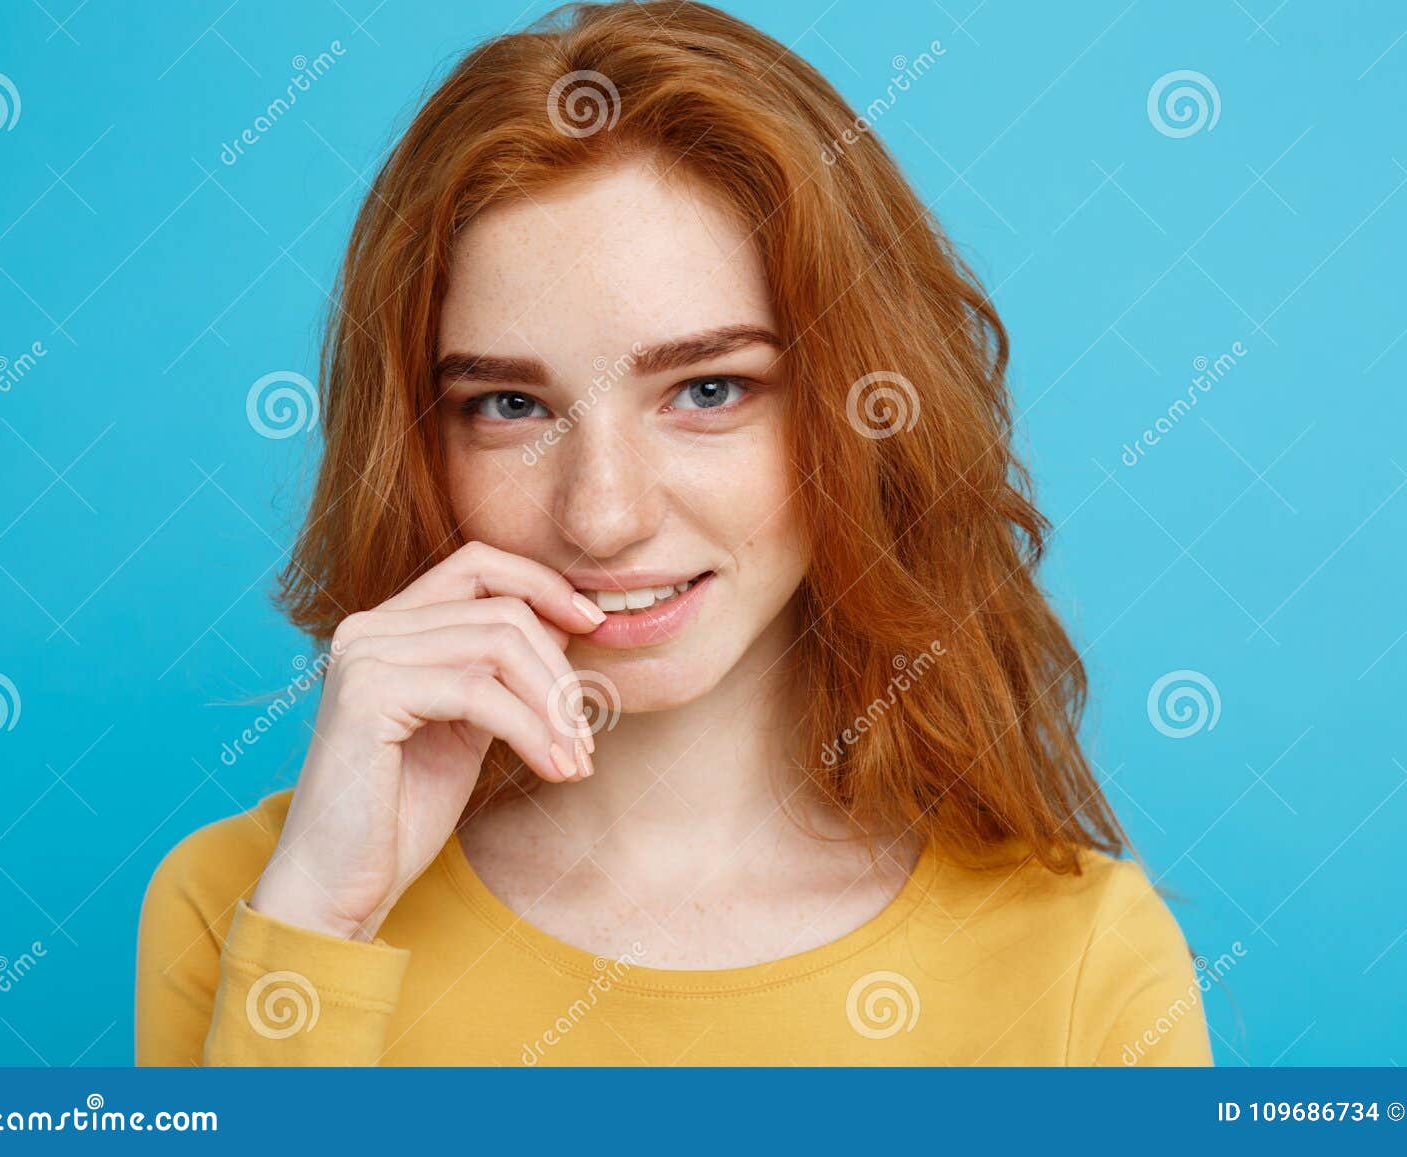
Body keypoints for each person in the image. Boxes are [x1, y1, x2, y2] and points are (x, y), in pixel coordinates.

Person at [135, 0, 1211, 1066]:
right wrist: (319, 931)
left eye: (707, 388)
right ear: (422, 442)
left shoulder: (1079, 959)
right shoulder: (252, 904)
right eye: (509, 405)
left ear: (860, 410)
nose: (603, 515)